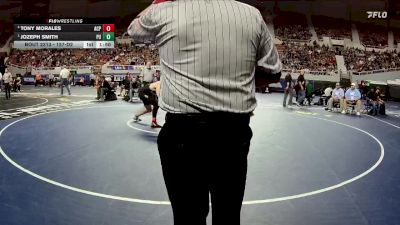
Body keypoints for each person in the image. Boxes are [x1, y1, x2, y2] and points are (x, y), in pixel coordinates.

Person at [128, 1, 282, 224]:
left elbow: (134, 31)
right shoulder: (251, 14)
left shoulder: (164, 11)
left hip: (182, 134)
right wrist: (236, 81)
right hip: (232, 132)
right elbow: (273, 72)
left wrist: (158, 2)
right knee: (228, 215)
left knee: (187, 217)